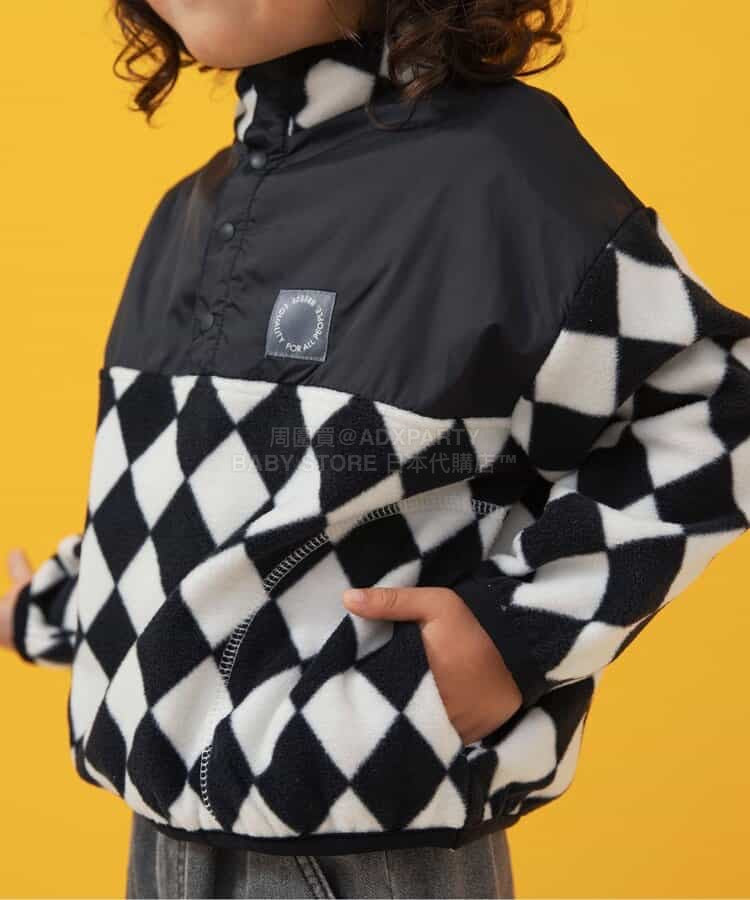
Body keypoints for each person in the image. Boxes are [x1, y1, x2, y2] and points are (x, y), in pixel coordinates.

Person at [2, 0, 750, 897]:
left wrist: (516, 630)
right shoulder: (187, 212)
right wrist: (50, 608)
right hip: (159, 832)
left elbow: (720, 407)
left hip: (362, 836)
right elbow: (205, 514)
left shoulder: (495, 171)